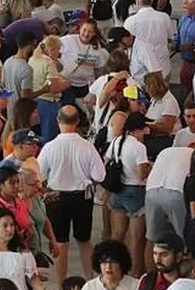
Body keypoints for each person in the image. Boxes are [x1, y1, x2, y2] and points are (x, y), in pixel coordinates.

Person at [38, 106, 106, 282]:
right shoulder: (87, 147)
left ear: (58, 121)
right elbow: (100, 175)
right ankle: (90, 281)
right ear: (77, 122)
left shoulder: (49, 147)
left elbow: (39, 174)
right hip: (82, 197)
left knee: (60, 243)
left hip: (55, 198)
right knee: (84, 240)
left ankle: (62, 284)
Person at [106, 112, 152, 276]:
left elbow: (107, 159)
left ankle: (110, 267)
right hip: (135, 192)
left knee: (117, 234)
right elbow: (141, 174)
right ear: (139, 129)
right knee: (136, 238)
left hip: (118, 190)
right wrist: (149, 166)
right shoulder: (139, 147)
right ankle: (135, 273)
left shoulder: (117, 141)